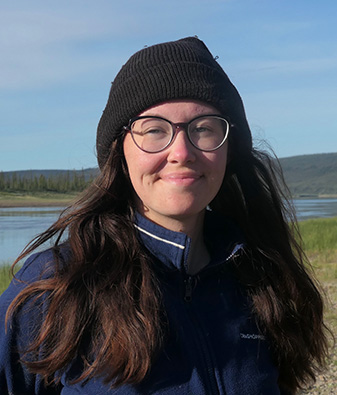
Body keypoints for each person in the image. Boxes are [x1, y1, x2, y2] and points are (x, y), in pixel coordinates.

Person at [0, 37, 330, 394]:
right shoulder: (56, 287)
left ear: (228, 149)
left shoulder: (263, 281)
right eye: (155, 130)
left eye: (203, 128)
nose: (181, 152)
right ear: (120, 152)